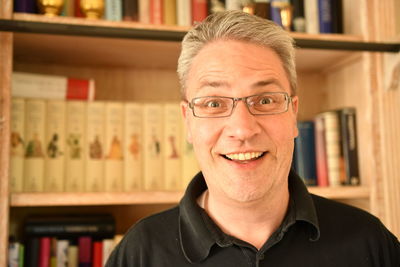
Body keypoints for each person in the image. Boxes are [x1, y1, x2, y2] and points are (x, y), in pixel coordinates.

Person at [106, 11, 400, 266]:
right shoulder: (139, 253)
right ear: (187, 121)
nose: (243, 129)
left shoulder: (368, 242)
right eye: (213, 103)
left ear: (293, 114)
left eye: (266, 100)